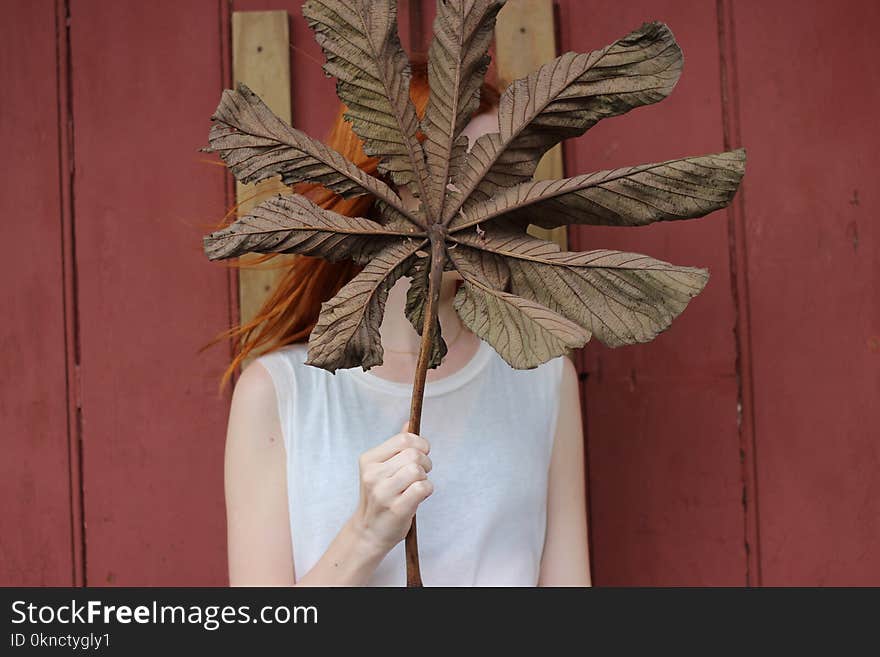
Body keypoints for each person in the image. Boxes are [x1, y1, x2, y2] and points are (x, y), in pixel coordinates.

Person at [221, 62, 591, 587]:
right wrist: (367, 534)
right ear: (380, 180)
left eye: (503, 175)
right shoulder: (280, 393)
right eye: (461, 173)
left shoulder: (542, 378)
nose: (487, 201)